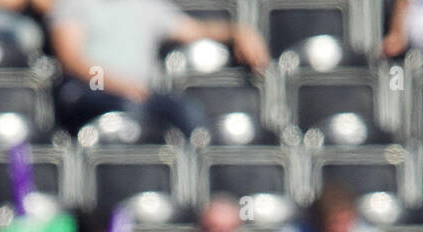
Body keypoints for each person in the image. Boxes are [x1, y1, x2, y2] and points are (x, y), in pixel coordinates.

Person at [49, 0, 267, 137]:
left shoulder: (148, 6)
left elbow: (194, 30)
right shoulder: (73, 4)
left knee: (188, 113)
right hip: (88, 91)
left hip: (140, 95)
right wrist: (116, 85)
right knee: (129, 110)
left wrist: (238, 31)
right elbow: (70, 58)